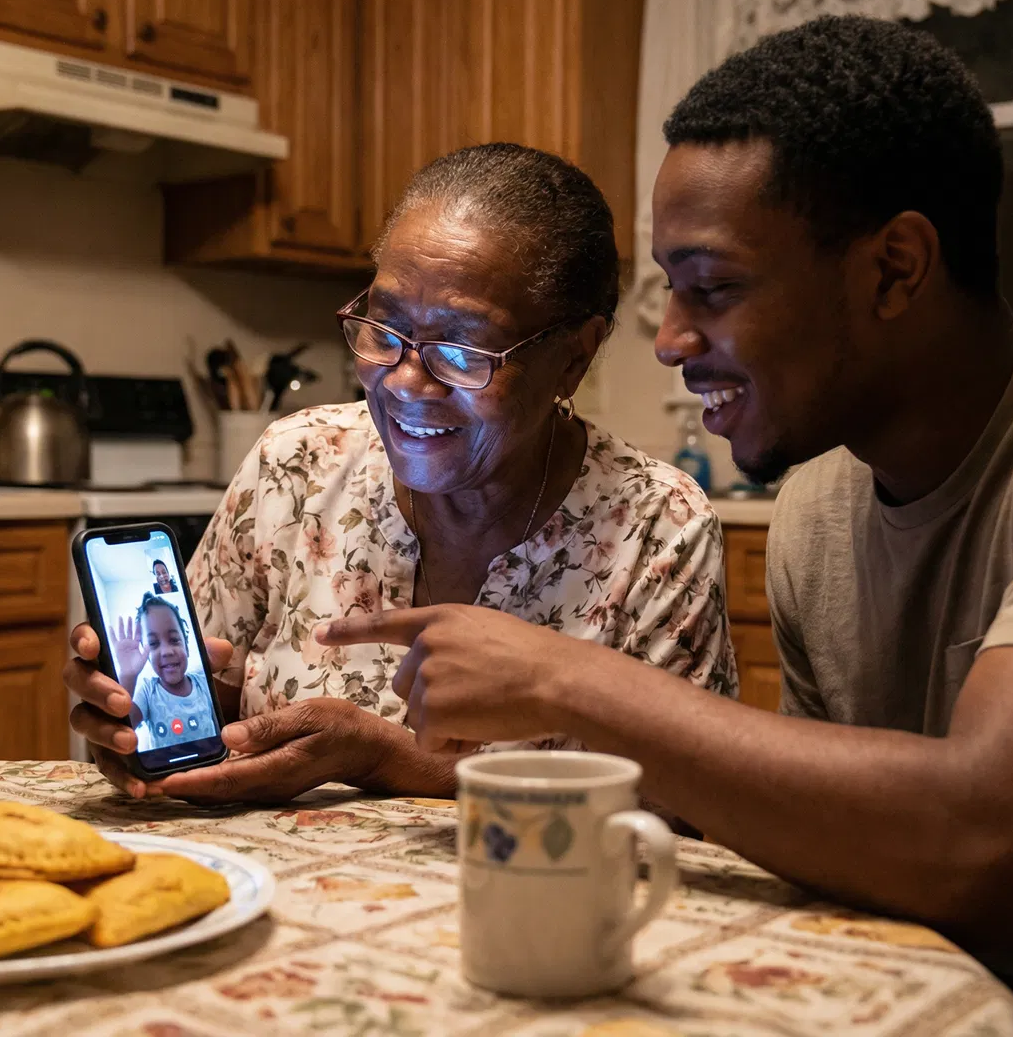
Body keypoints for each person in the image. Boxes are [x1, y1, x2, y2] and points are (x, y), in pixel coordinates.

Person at [315, 18, 1013, 1035]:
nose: (672, 339)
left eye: (714, 288)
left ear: (895, 268)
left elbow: (980, 839)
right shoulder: (816, 511)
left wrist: (565, 682)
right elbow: (830, 846)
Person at [66, 143, 738, 805]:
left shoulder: (657, 527)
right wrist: (145, 713)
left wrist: (386, 760)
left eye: (460, 348)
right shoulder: (296, 463)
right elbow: (216, 694)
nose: (407, 382)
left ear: (573, 357)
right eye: (384, 333)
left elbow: (686, 807)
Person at [108, 595, 216, 749]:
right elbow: (124, 725)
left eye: (174, 640)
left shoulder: (202, 683)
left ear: (186, 644)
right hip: (166, 770)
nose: (166, 651)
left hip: (209, 765)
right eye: (153, 644)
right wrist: (128, 676)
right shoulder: (147, 691)